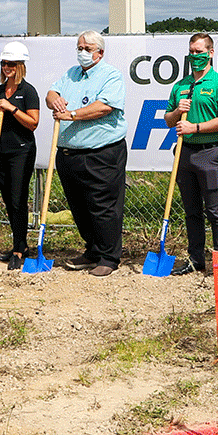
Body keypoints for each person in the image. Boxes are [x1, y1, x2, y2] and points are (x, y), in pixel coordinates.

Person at [45, 30, 128, 278]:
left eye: (88, 48)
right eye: (79, 47)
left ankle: (109, 256)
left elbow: (104, 107)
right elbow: (52, 93)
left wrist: (71, 114)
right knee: (79, 207)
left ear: (100, 52)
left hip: (101, 153)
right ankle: (92, 251)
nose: (82, 52)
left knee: (103, 206)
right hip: (69, 154)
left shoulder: (110, 75)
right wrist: (54, 100)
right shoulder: (71, 74)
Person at [163, 33, 218, 275]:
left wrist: (194, 127)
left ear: (211, 53)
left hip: (211, 153)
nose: (195, 56)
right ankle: (196, 259)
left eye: (200, 52)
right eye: (192, 52)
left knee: (216, 211)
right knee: (191, 211)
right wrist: (177, 112)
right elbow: (167, 119)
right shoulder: (181, 85)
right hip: (185, 154)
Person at [0, 41, 42, 270]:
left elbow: (33, 123)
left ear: (20, 65)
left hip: (22, 150)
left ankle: (20, 248)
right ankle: (20, 244)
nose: (7, 67)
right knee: (8, 199)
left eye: (12, 63)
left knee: (18, 198)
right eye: (4, 63)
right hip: (1, 151)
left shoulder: (28, 91)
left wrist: (12, 109)